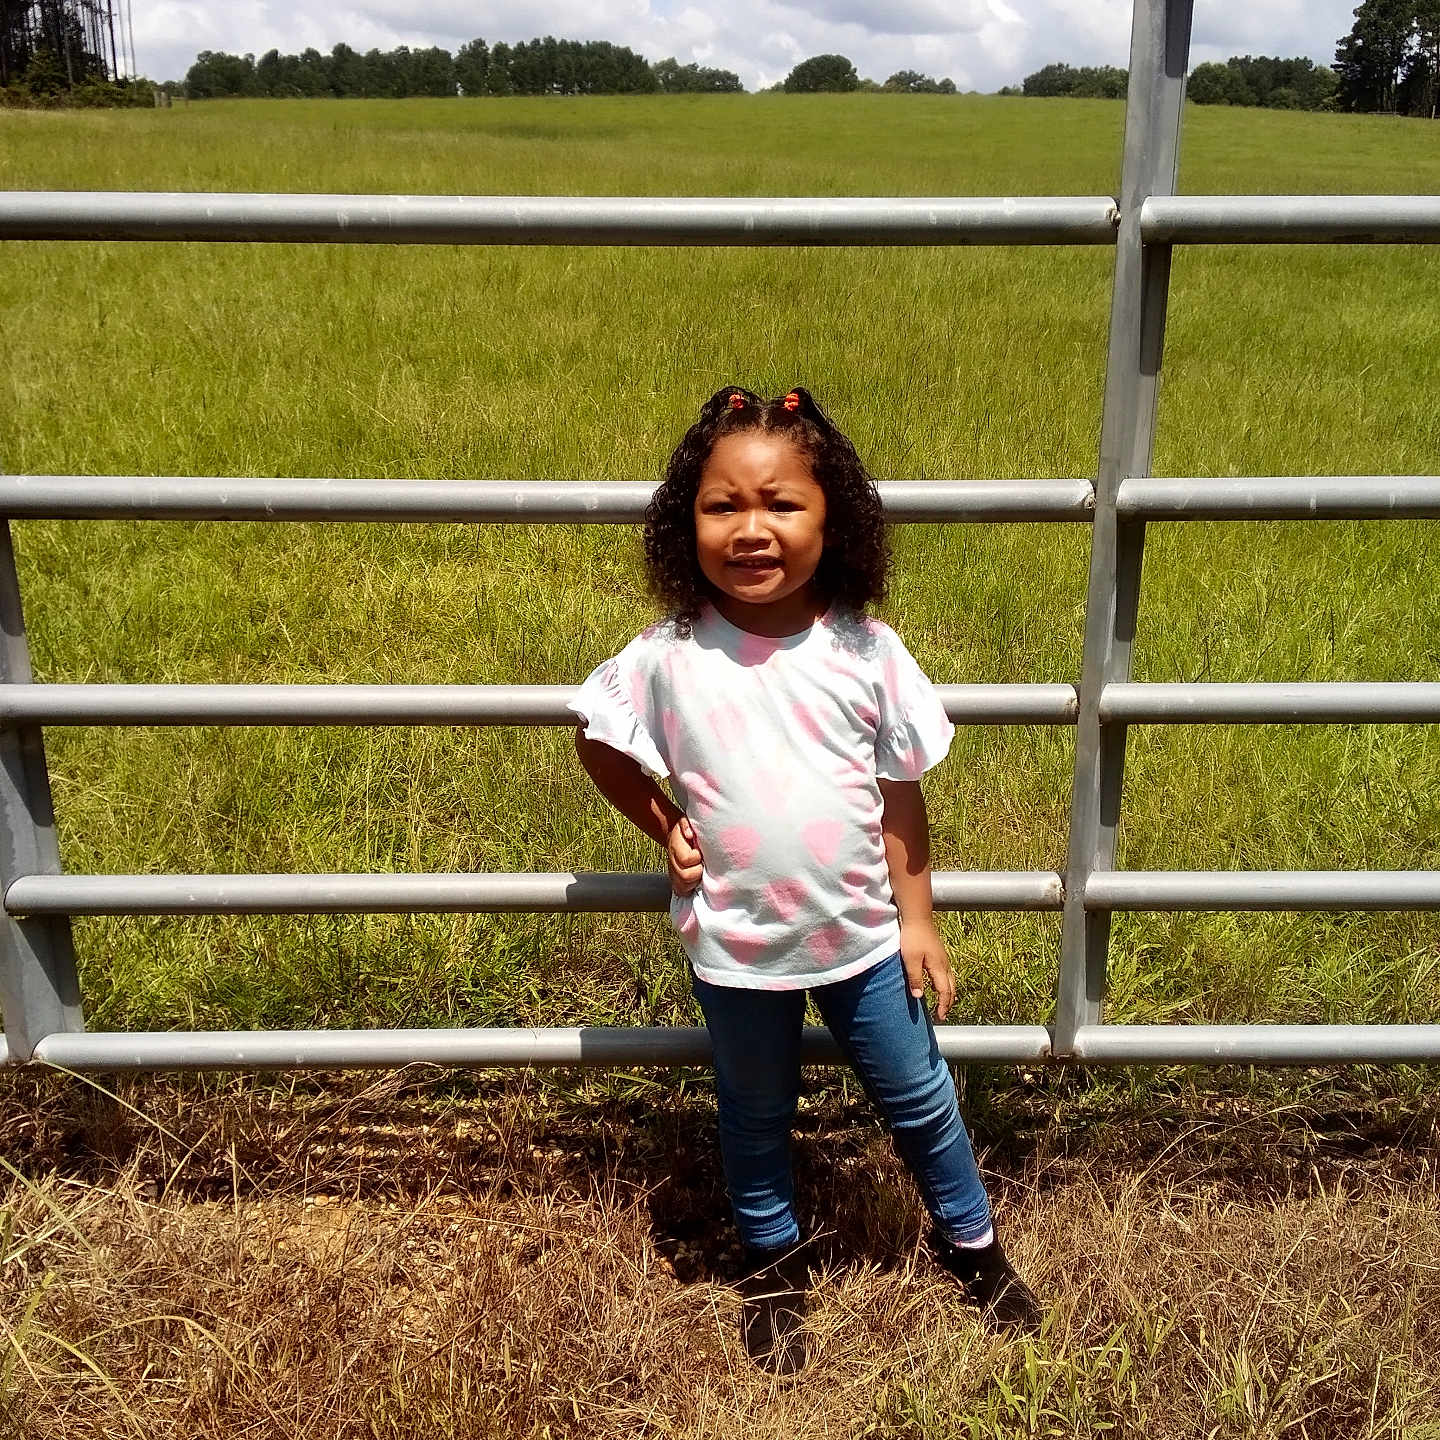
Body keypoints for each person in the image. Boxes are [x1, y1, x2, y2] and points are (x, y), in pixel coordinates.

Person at [570, 386, 1040, 1374]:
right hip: (736, 943)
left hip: (863, 939)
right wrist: (663, 824)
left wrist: (919, 920)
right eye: (722, 506)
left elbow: (901, 796)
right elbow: (598, 741)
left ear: (836, 520)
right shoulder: (667, 656)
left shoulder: (866, 650)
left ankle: (974, 1247)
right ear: (685, 523)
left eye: (782, 504)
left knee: (919, 1096)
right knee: (753, 1111)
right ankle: (775, 1265)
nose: (752, 530)